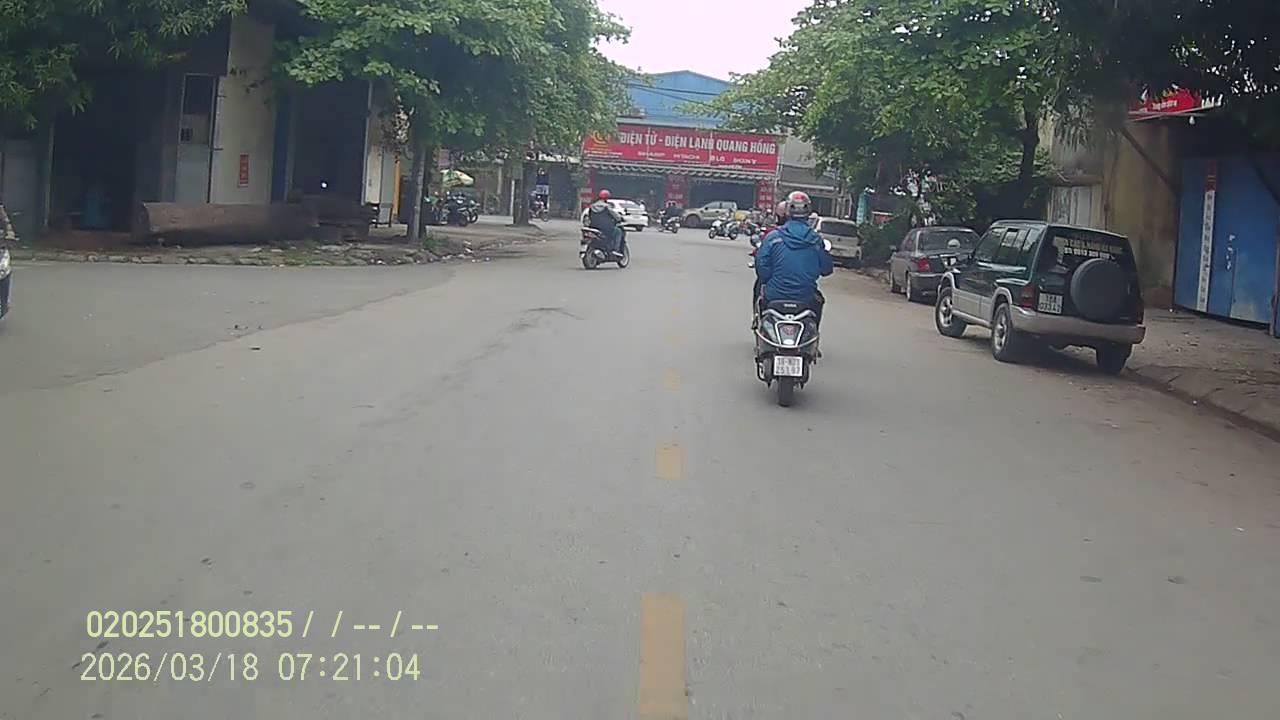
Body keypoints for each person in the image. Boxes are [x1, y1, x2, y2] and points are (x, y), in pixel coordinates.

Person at [754, 191, 833, 333]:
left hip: (775, 294)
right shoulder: (815, 240)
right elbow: (826, 269)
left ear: (787, 211)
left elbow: (762, 267)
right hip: (805, 296)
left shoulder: (773, 237)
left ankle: (759, 326)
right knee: (819, 302)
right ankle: (813, 333)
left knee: (761, 299)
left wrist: (772, 279)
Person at [584, 189, 625, 257]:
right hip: (606, 228)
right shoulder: (606, 206)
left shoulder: (592, 206)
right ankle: (615, 250)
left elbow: (589, 216)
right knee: (618, 231)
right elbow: (616, 216)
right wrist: (620, 218)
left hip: (593, 227)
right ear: (606, 198)